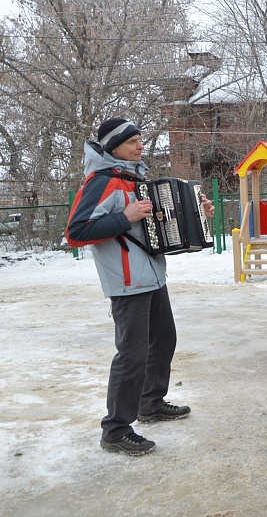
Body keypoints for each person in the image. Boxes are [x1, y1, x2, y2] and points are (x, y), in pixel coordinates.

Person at [66, 118, 215, 457]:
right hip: (126, 281)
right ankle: (116, 428)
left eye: (140, 139)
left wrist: (198, 211)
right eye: (133, 141)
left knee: (164, 339)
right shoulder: (101, 181)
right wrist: (126, 216)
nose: (140, 146)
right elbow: (75, 232)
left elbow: (163, 220)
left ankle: (150, 402)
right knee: (131, 354)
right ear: (114, 146)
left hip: (151, 276)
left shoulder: (134, 179)